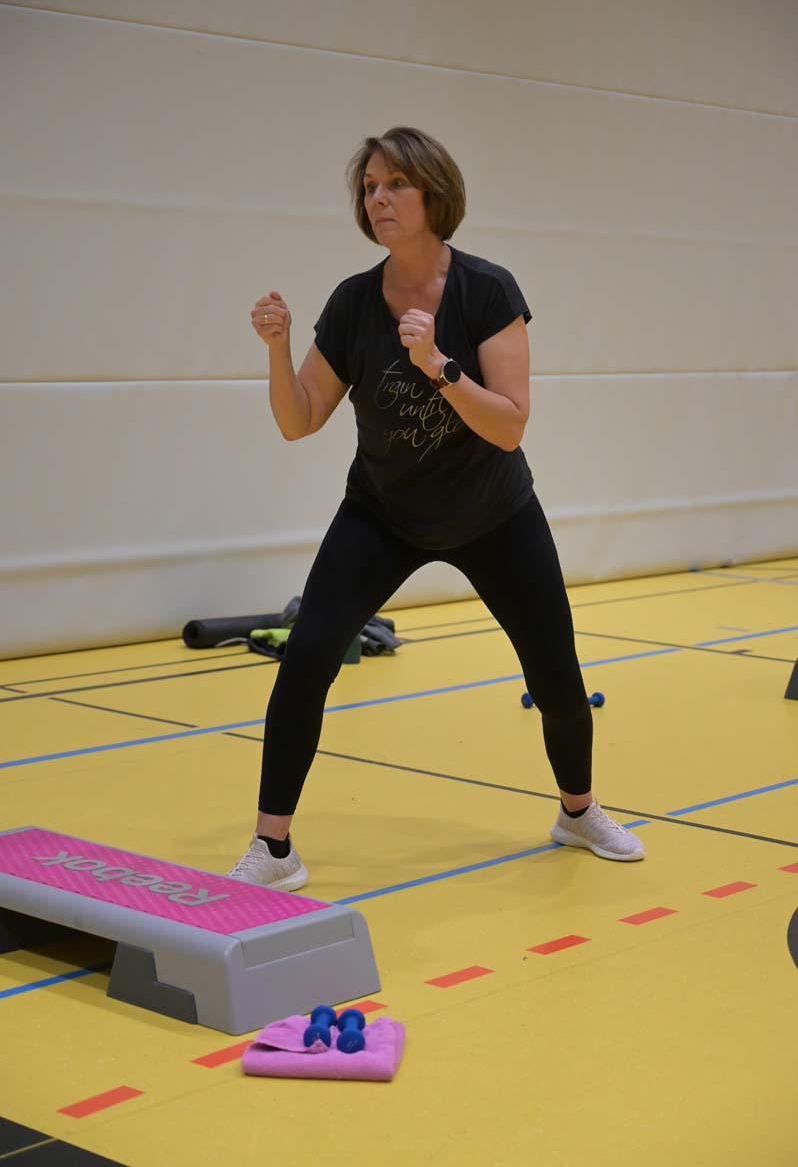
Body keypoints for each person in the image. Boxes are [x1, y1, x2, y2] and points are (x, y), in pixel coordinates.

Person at [229, 127, 645, 889]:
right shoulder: (353, 302)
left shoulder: (487, 291)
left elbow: (510, 425)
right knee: (308, 657)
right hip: (381, 513)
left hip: (494, 512)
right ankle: (273, 848)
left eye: (396, 184)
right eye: (369, 187)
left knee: (556, 674)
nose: (378, 199)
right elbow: (299, 420)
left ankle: (578, 811)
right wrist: (278, 348)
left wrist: (438, 366)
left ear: (434, 194)